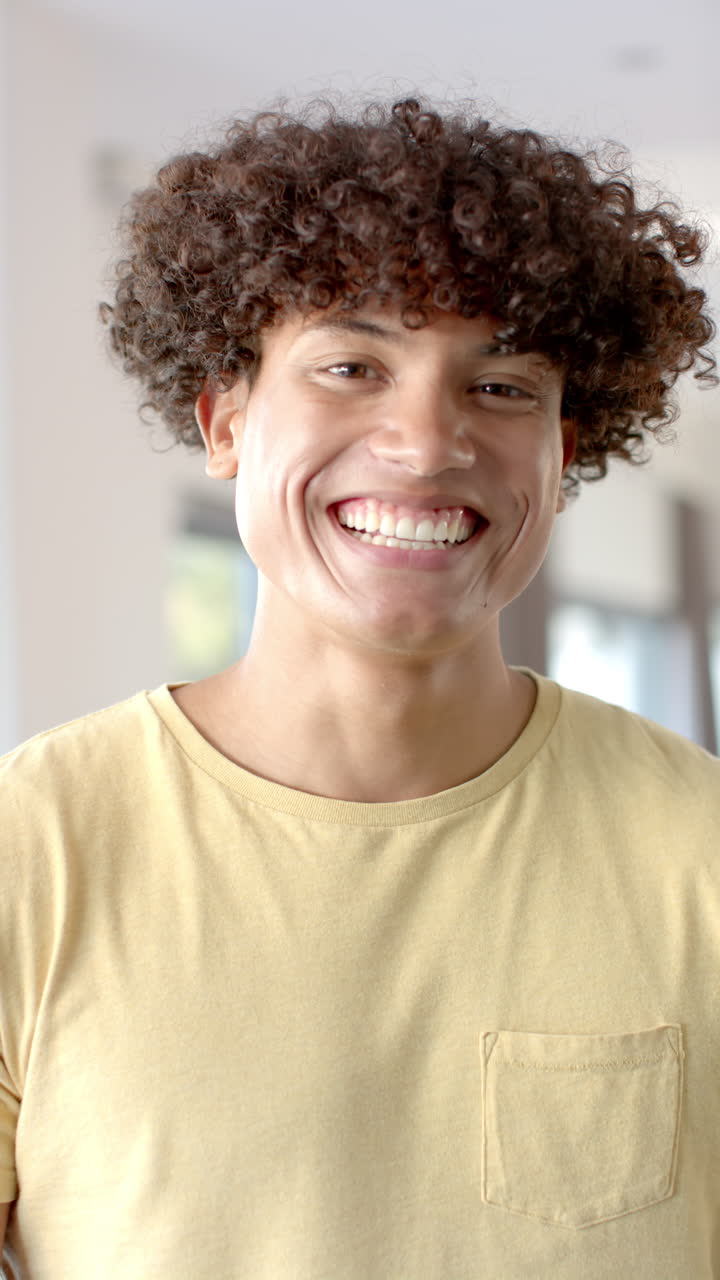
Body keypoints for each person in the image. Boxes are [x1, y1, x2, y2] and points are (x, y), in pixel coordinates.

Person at [1, 96, 718, 1279]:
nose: (427, 443)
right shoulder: (33, 847)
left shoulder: (701, 845)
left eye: (503, 385)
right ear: (225, 422)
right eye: (351, 366)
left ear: (564, 450)